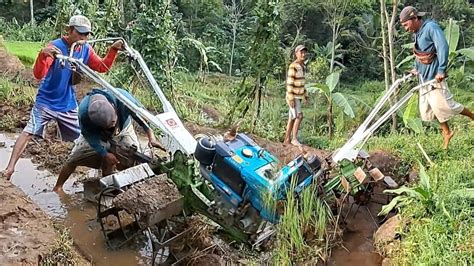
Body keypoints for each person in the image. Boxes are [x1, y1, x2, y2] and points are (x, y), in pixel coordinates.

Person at [2, 15, 124, 180]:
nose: (83, 38)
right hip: (46, 101)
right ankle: (9, 169)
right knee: (28, 131)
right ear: (70, 30)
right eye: (80, 33)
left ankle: (97, 171)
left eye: (87, 34)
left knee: (84, 136)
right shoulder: (55, 47)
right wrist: (43, 55)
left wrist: (113, 50)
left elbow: (101, 67)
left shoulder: (85, 49)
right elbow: (39, 74)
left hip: (67, 103)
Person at [53, 88, 163, 193]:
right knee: (75, 157)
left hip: (123, 129)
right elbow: (89, 135)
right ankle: (57, 188)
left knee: (135, 161)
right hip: (97, 134)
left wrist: (150, 135)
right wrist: (104, 153)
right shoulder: (83, 113)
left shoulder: (124, 99)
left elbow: (140, 115)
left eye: (112, 122)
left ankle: (127, 189)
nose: (111, 126)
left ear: (114, 107)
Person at [400, 6, 474, 149]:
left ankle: (471, 116)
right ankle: (447, 132)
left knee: (447, 106)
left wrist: (441, 70)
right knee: (430, 110)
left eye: (406, 24)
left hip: (435, 77)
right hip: (423, 78)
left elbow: (442, 47)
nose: (405, 28)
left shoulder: (431, 27)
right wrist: (416, 69)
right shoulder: (417, 33)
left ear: (414, 18)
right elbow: (420, 53)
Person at [283, 44, 309, 146]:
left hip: (298, 96)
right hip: (293, 97)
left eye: (304, 52)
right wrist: (291, 98)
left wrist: (305, 95)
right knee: (299, 116)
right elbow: (289, 83)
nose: (303, 54)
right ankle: (294, 139)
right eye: (301, 52)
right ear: (296, 54)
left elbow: (302, 83)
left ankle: (286, 140)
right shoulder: (293, 66)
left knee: (292, 117)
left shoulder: (302, 66)